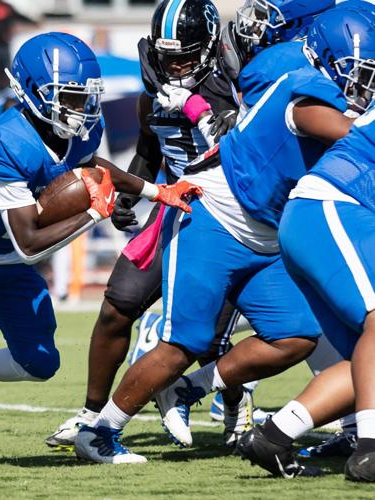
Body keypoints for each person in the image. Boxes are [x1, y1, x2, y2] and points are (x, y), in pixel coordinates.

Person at [74, 1, 364, 464]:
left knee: (294, 335)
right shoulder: (306, 93)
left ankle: (188, 390)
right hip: (215, 217)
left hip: (265, 233)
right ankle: (98, 431)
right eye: (361, 66)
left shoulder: (293, 74)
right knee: (182, 343)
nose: (365, 78)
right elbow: (354, 140)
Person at [0, 31, 201, 471]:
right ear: (30, 92)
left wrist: (155, 190)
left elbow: (90, 167)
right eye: (68, 97)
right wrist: (93, 213)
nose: (79, 109)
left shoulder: (78, 128)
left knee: (40, 362)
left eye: (84, 97)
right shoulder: (7, 141)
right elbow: (28, 243)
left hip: (5, 257)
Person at [47, 0, 251, 451]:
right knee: (116, 305)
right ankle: (91, 412)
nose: (174, 65)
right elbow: (149, 152)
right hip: (172, 207)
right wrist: (127, 196)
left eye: (184, 55)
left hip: (229, 216)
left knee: (210, 334)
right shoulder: (151, 96)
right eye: (167, 55)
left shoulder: (235, 89)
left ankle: (236, 407)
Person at [236, 7, 375, 481]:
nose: (361, 82)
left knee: (366, 352)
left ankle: (274, 436)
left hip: (316, 215)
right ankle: (371, 449)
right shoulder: (304, 82)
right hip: (331, 207)